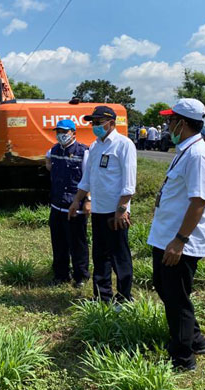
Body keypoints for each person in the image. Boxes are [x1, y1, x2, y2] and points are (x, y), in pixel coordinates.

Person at [150, 98, 205, 371]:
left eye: (171, 120)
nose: (168, 125)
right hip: (166, 235)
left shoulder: (198, 155)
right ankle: (196, 338)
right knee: (165, 288)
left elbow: (199, 201)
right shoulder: (185, 149)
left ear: (183, 123)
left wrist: (179, 241)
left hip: (179, 241)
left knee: (177, 298)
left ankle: (183, 357)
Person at [68, 106, 137, 304]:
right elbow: (87, 179)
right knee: (100, 255)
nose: (95, 126)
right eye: (93, 123)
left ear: (111, 123)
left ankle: (124, 297)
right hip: (98, 209)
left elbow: (129, 183)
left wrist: (122, 210)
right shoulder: (95, 146)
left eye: (99, 122)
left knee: (119, 256)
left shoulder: (124, 145)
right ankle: (101, 296)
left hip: (116, 211)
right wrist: (76, 200)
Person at [45, 119, 90, 288]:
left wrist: (87, 200)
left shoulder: (83, 152)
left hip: (74, 206)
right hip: (57, 205)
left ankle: (81, 276)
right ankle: (61, 274)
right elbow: (48, 160)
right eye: (58, 132)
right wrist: (49, 165)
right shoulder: (54, 150)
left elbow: (89, 178)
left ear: (73, 133)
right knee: (58, 242)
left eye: (64, 132)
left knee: (77, 243)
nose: (61, 135)